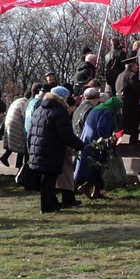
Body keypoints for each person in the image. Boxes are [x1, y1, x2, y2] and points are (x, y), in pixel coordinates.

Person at [26, 85, 84, 213]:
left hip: (38, 149)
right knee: (49, 180)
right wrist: (81, 146)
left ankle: (51, 203)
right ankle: (47, 207)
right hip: (51, 150)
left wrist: (30, 148)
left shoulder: (39, 109)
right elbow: (66, 134)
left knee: (47, 180)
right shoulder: (60, 112)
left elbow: (30, 132)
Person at [75, 96, 122, 199]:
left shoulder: (96, 109)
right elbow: (102, 127)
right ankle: (86, 187)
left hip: (88, 140)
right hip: (98, 143)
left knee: (97, 167)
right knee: (98, 167)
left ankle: (95, 192)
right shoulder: (107, 112)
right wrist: (107, 143)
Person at [114, 55, 140, 145]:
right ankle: (133, 139)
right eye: (136, 65)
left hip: (120, 101)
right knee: (133, 121)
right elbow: (136, 88)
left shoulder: (120, 75)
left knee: (121, 123)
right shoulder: (132, 76)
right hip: (130, 103)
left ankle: (117, 139)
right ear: (132, 66)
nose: (137, 67)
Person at [0, 88, 33, 168]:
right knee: (21, 144)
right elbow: (24, 115)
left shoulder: (18, 101)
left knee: (14, 142)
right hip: (17, 124)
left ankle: (5, 157)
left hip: (9, 122)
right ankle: (18, 164)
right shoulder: (26, 103)